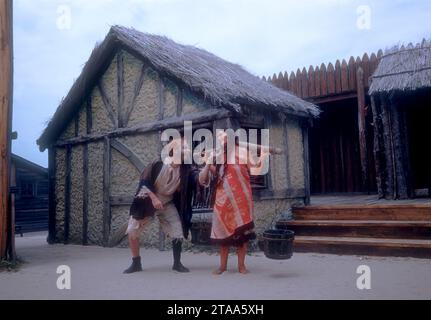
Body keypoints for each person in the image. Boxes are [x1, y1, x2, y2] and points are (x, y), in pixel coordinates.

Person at [198, 132, 270, 275]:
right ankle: (222, 266)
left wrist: (263, 154)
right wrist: (207, 161)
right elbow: (210, 176)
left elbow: (256, 170)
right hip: (222, 200)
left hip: (241, 199)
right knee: (223, 235)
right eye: (221, 140)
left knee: (242, 234)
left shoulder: (243, 153)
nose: (222, 142)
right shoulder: (218, 156)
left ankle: (241, 266)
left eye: (225, 139)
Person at [123, 139, 197, 274]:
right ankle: (136, 263)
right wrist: (154, 198)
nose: (186, 151)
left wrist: (208, 167)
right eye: (183, 148)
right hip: (148, 199)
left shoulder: (185, 169)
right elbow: (144, 183)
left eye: (186, 149)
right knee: (132, 230)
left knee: (177, 230)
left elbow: (196, 178)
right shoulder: (158, 164)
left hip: (167, 203)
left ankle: (177, 263)